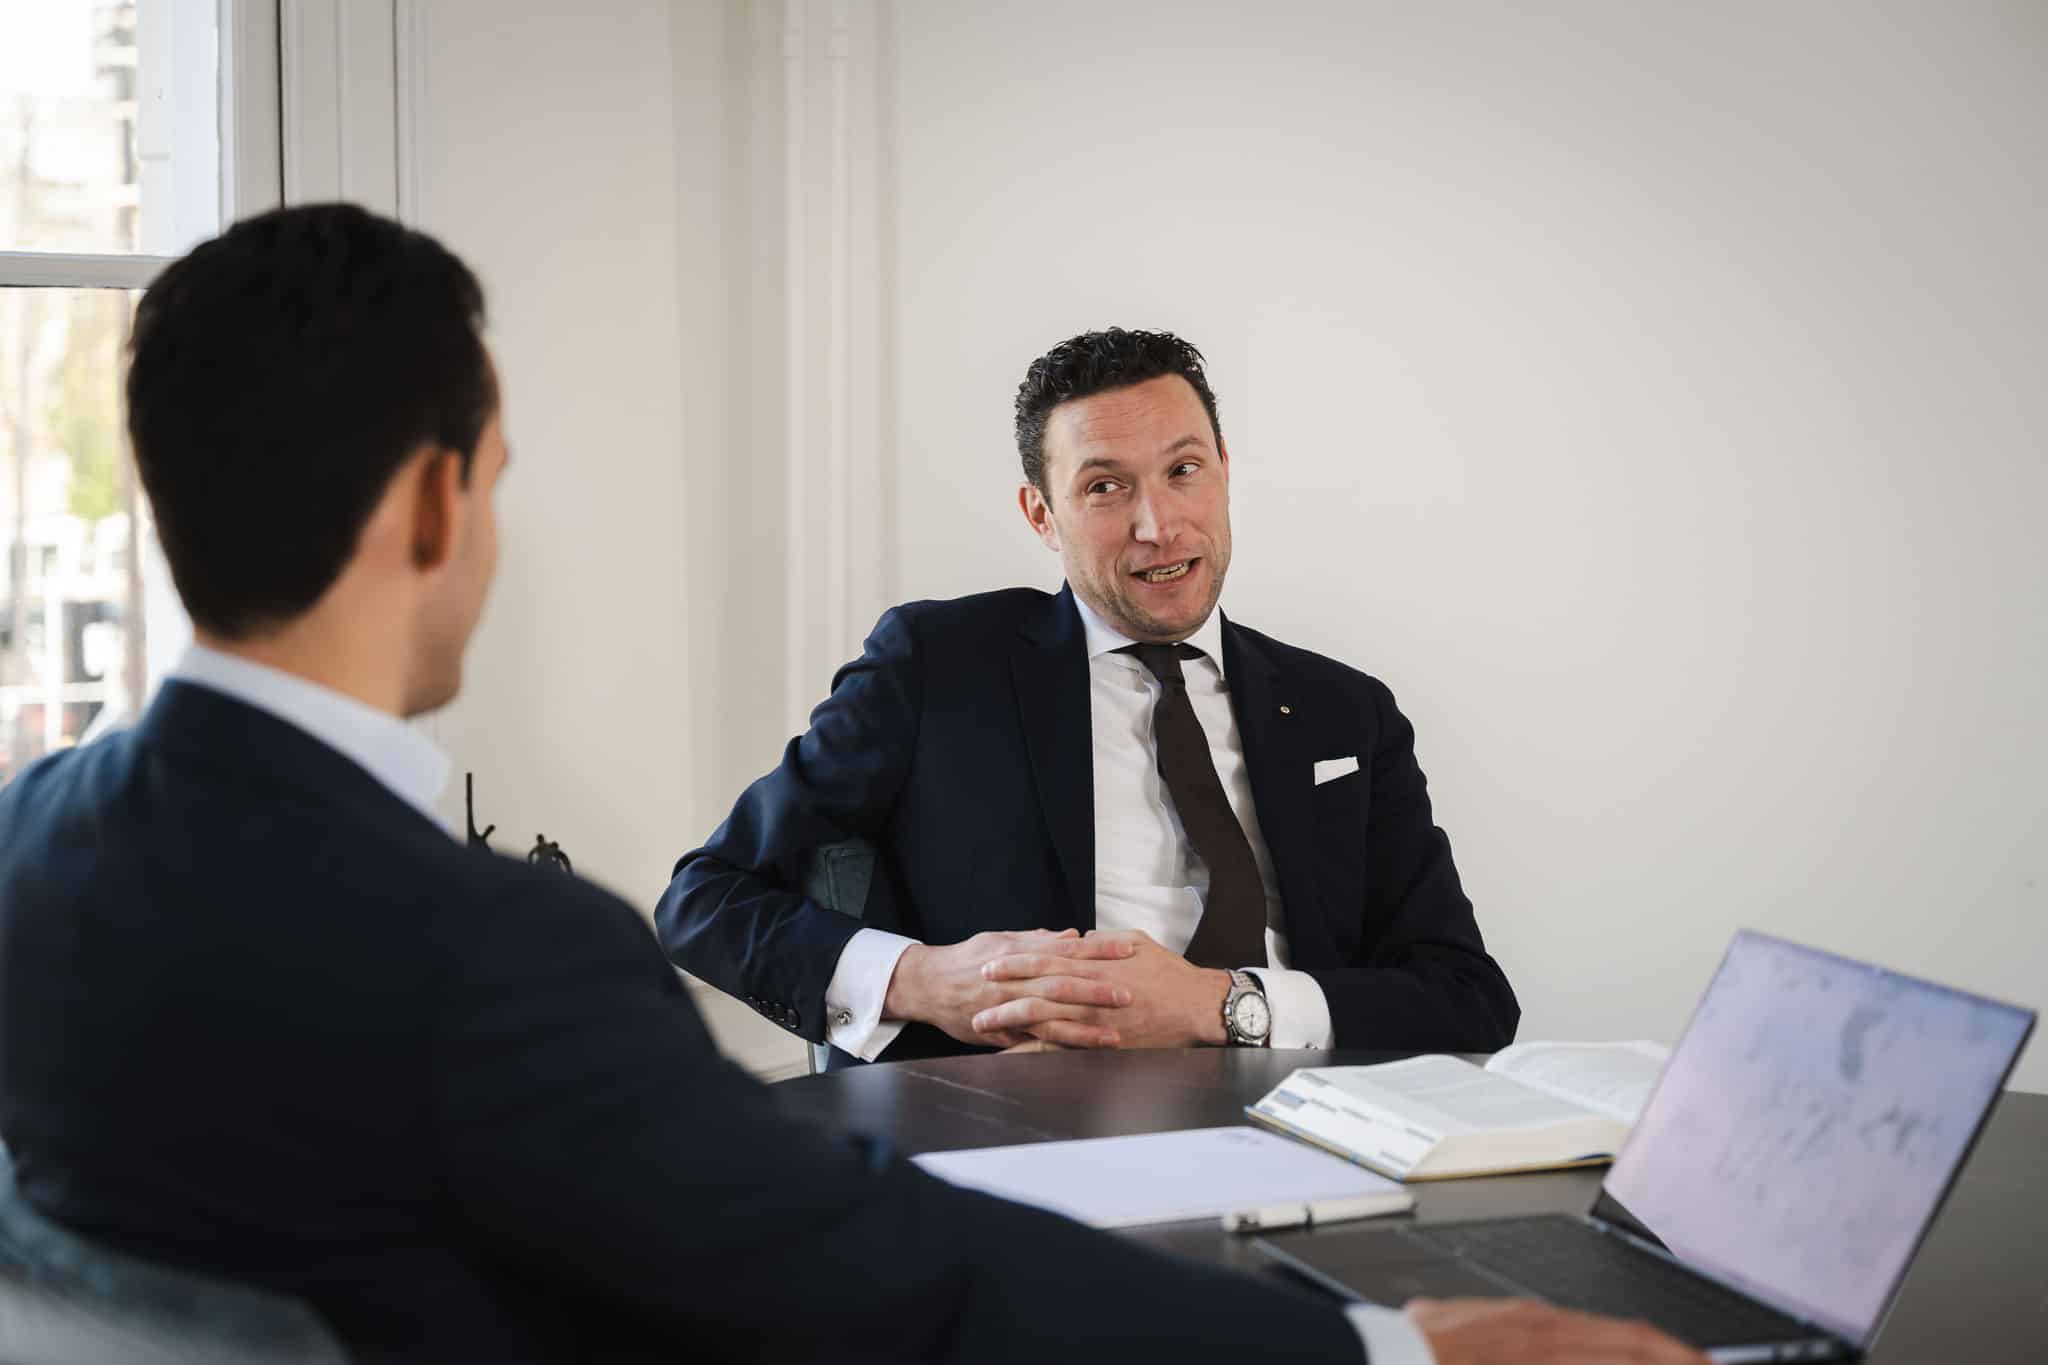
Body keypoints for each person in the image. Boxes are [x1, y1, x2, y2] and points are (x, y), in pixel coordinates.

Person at [0, 206, 1702, 1365]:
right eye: (500, 480)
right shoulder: (500, 955)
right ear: (442, 507)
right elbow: (874, 1279)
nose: (1155, 519)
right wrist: (1387, 1350)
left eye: (1184, 471)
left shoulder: (31, 838)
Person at [659, 328, 1518, 1068]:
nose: (1159, 525)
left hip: (1313, 1128)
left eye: (1184, 470)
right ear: (1042, 514)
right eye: (1106, 487)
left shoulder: (1345, 710)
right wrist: (922, 979)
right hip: (1024, 1134)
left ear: (1224, 473)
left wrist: (1221, 1005)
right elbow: (705, 898)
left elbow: (1468, 996)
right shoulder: (937, 666)